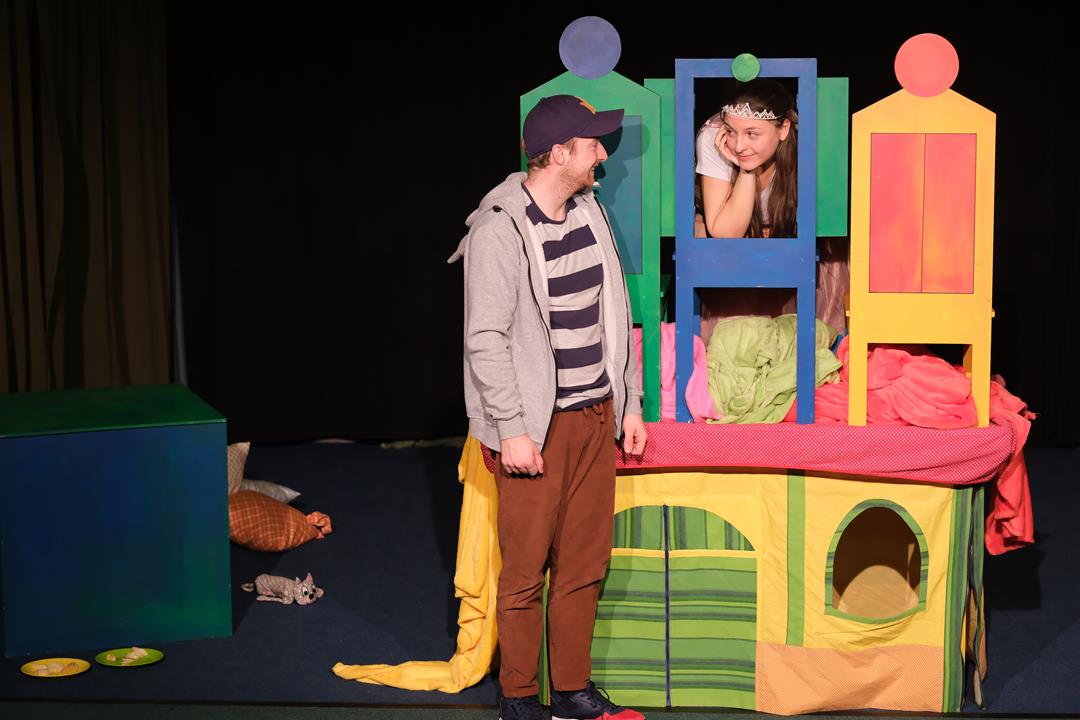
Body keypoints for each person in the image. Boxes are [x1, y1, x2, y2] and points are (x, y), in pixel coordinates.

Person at [449, 94, 647, 720]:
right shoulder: (500, 230)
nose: (602, 156)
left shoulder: (590, 212)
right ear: (559, 154)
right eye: (592, 145)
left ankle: (570, 690)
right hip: (537, 427)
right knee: (525, 570)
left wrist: (630, 404)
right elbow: (485, 338)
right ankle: (518, 697)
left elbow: (616, 312)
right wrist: (511, 429)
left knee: (584, 564)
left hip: (596, 415)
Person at [695, 78, 798, 239]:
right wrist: (747, 171)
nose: (738, 147)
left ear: (783, 129)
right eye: (730, 131)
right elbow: (727, 234)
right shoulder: (713, 138)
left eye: (751, 134)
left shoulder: (803, 141)